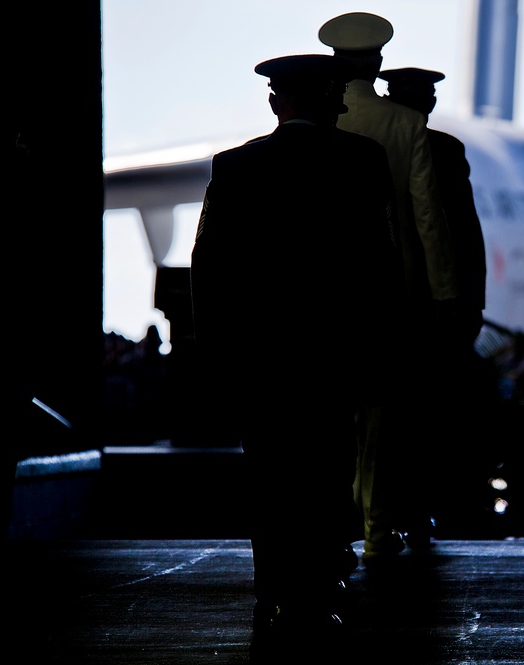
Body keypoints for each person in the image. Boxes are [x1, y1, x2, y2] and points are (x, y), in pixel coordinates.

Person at [189, 53, 403, 648]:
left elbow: (207, 268)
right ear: (333, 106)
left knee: (270, 474)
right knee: (327, 472)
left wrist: (216, 350)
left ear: (275, 103)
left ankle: (272, 592)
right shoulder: (363, 162)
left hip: (262, 359)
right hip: (334, 356)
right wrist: (381, 349)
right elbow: (380, 268)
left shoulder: (234, 167)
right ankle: (317, 593)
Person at [318, 12, 461, 562]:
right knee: (381, 422)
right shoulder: (406, 125)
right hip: (391, 292)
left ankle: (332, 532)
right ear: (377, 62)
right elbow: (429, 219)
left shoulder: (320, 121)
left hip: (324, 295)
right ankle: (378, 532)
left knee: (328, 420)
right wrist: (444, 291)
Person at [378, 66, 489, 545]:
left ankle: (385, 512)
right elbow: (464, 234)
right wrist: (469, 303)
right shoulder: (443, 150)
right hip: (432, 310)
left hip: (380, 301)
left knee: (384, 419)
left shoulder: (362, 141)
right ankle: (417, 511)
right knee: (425, 419)